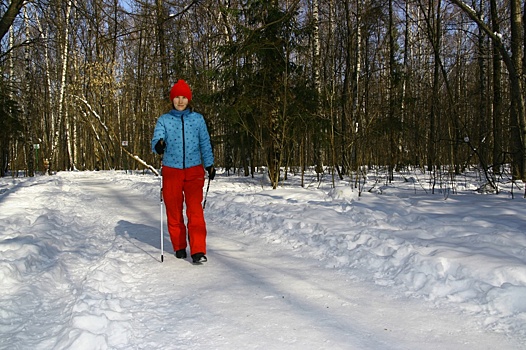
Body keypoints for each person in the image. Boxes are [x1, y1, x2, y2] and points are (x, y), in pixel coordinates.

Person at [151, 79, 216, 264]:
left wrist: (209, 164)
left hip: (194, 170)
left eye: (184, 97)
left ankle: (198, 250)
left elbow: (205, 142)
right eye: (177, 97)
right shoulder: (164, 120)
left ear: (189, 99)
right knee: (174, 209)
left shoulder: (197, 119)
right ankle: (179, 245)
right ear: (172, 99)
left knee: (195, 211)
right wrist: (159, 145)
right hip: (171, 170)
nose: (180, 101)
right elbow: (156, 140)